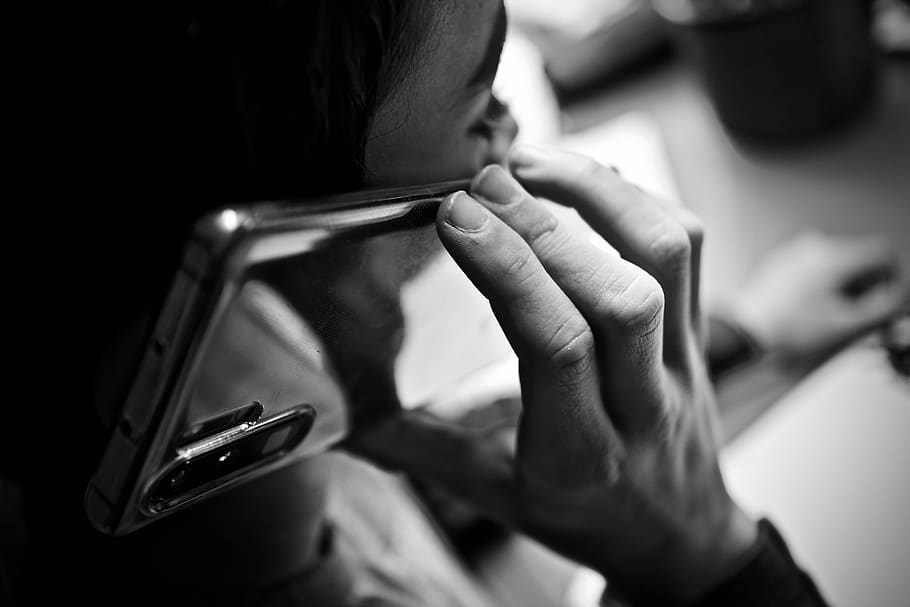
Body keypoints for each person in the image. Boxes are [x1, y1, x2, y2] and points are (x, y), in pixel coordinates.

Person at [3, 1, 906, 606]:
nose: (510, 135)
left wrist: (739, 332)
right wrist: (702, 556)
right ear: (232, 296)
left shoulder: (259, 487)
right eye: (479, 107)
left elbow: (414, 478)